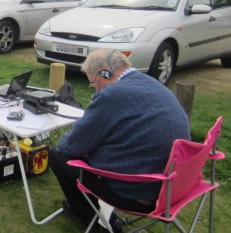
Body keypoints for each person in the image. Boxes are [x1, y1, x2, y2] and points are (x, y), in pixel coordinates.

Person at [48, 49, 190, 231]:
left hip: (138, 194)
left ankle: (89, 216)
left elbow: (70, 146)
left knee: (57, 156)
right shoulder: (153, 84)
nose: (96, 89)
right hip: (174, 187)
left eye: (94, 83)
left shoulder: (111, 95)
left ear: (104, 73)